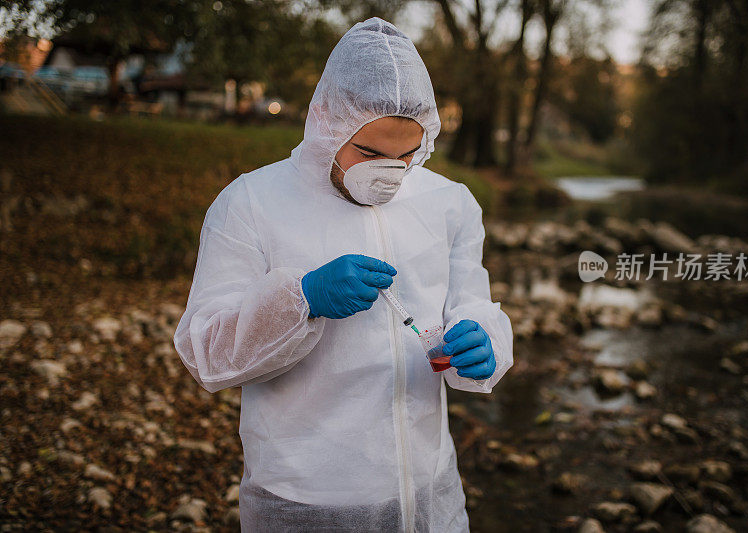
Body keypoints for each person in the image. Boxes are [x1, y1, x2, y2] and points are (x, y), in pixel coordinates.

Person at [173, 17, 513, 532]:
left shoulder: (449, 203)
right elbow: (206, 353)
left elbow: (473, 302)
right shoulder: (250, 204)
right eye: (369, 152)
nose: (388, 171)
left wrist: (483, 341)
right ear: (325, 121)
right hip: (304, 499)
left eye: (406, 156)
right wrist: (300, 300)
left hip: (428, 491)